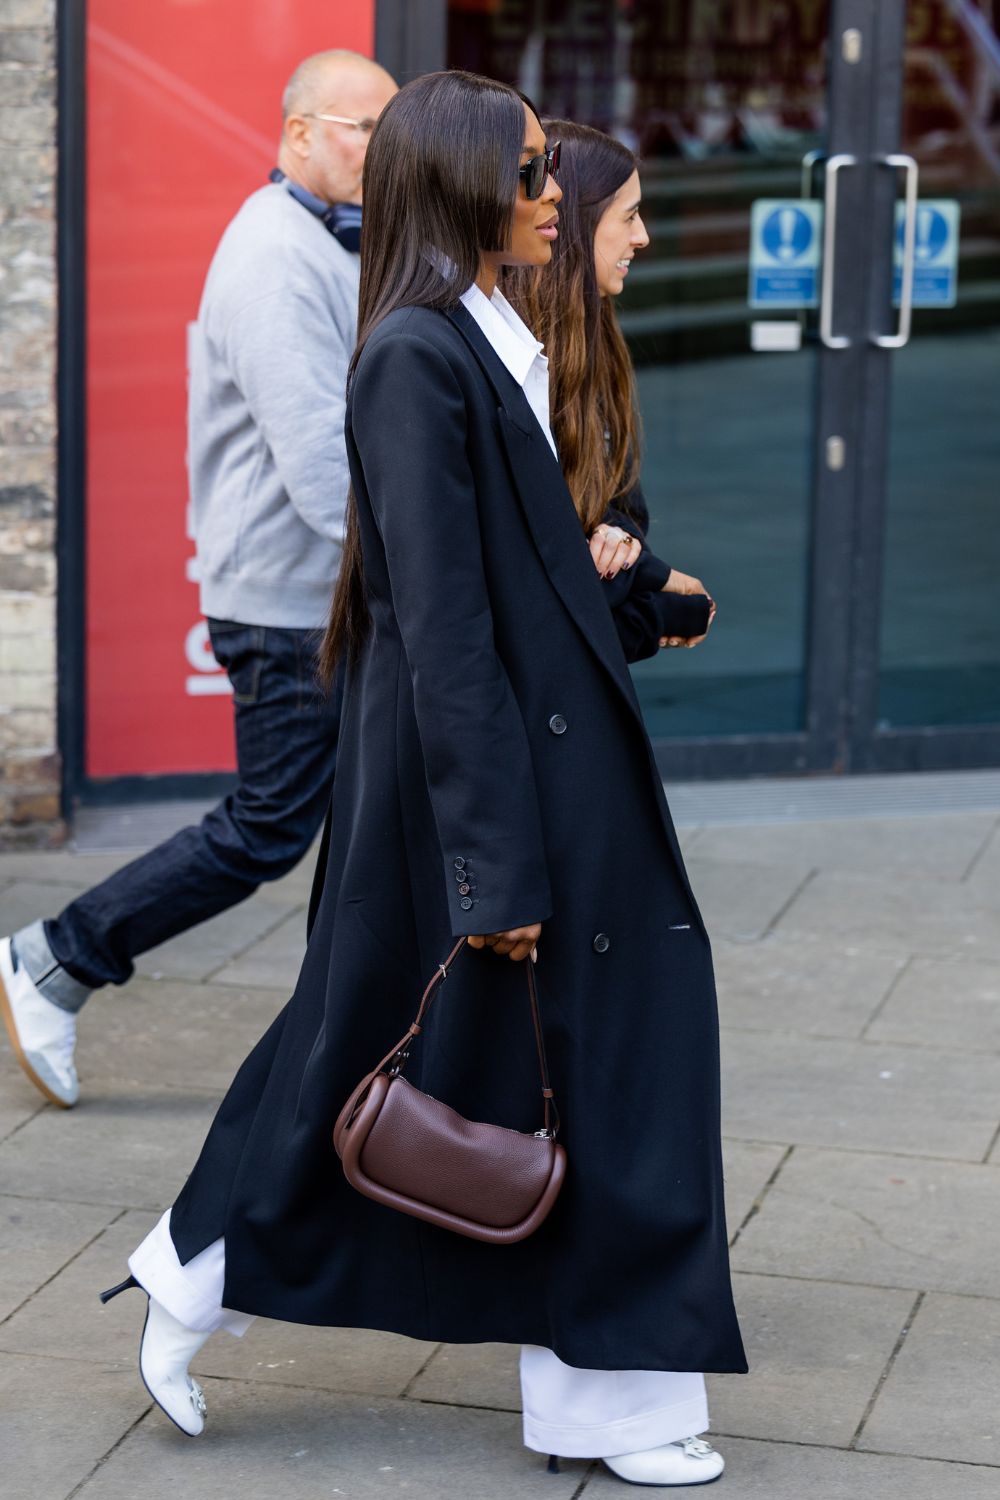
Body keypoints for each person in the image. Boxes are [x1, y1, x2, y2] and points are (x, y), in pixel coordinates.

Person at [97, 72, 746, 1488]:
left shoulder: (488, 338)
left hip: (546, 768)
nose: (548, 201)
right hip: (493, 784)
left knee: (500, 1061)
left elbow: (529, 583)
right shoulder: (413, 357)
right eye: (525, 176)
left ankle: (208, 1270)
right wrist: (493, 865)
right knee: (423, 1055)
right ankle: (209, 1268)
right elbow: (444, 631)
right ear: (458, 188)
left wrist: (636, 602)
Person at [0, 50, 397, 1110]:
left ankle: (354, 1050)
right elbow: (321, 467)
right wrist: (429, 568)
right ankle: (57, 956)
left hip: (324, 595)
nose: (381, 150)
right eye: (363, 128)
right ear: (299, 130)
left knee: (363, 823)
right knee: (272, 825)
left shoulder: (336, 244)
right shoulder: (274, 256)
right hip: (285, 603)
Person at [503, 117, 717, 665]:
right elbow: (542, 581)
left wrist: (613, 538)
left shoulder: (593, 334)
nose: (643, 236)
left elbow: (623, 512)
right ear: (576, 224)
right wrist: (655, 595)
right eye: (628, 216)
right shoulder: (504, 354)